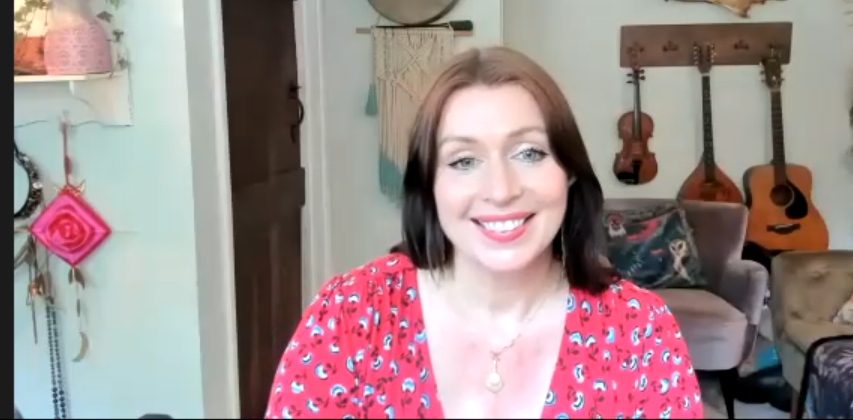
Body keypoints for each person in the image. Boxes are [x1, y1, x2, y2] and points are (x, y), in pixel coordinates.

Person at [263, 48, 703, 419]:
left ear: (569, 172)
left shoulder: (639, 331)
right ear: (428, 184)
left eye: (529, 153)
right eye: (463, 161)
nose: (500, 190)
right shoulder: (349, 317)